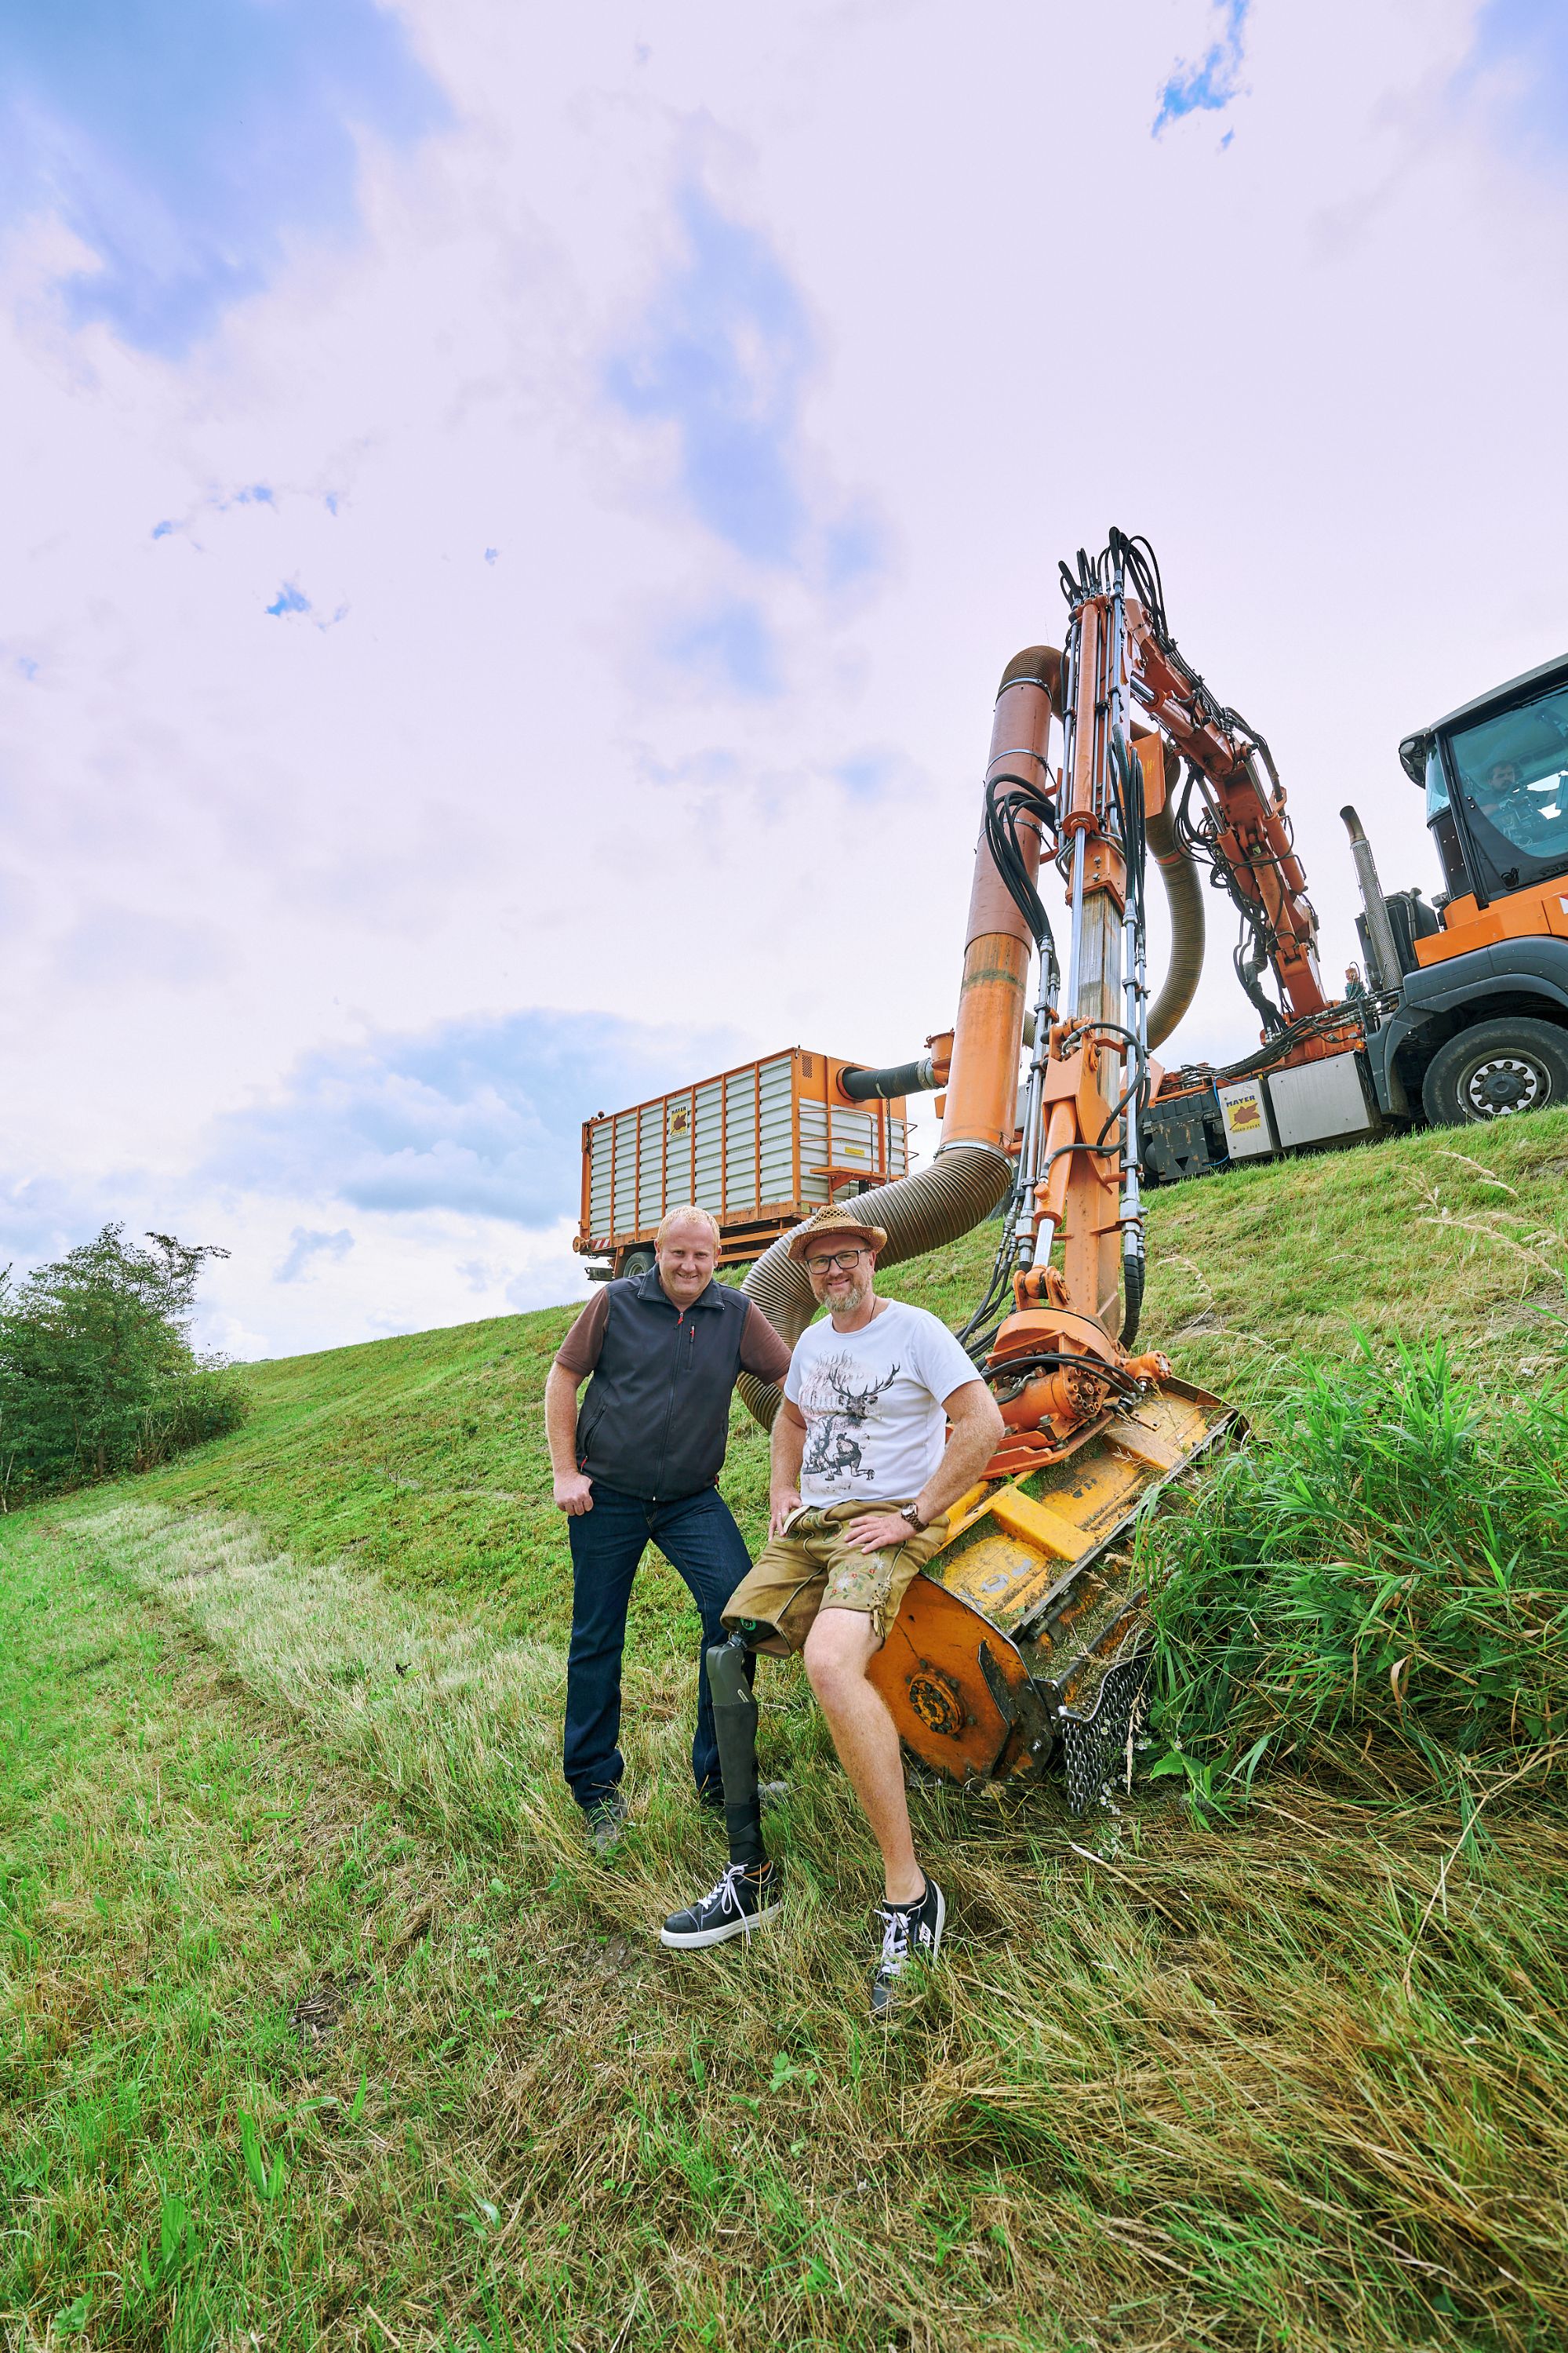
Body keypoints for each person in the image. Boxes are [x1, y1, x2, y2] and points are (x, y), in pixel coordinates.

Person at [660, 1206, 1005, 2018]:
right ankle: (751, 1876)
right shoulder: (812, 1343)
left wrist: (916, 1514)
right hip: (812, 1527)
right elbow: (791, 1416)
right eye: (819, 1263)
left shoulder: (916, 1332)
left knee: (826, 1660)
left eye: (846, 1257)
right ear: (807, 1273)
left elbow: (982, 1424)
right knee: (725, 1649)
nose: (833, 1272)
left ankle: (909, 1896)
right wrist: (783, 1489)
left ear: (871, 1258)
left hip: (882, 1525)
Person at [546, 1206, 791, 1852]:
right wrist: (565, 1472)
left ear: (718, 1258)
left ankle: (722, 1779)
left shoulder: (735, 1313)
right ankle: (596, 1791)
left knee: (739, 1616)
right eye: (677, 1254)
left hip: (691, 1500)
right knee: (597, 1638)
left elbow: (791, 1379)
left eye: (701, 1256)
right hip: (608, 1498)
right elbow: (564, 1376)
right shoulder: (615, 1303)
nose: (689, 1266)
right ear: (657, 1252)